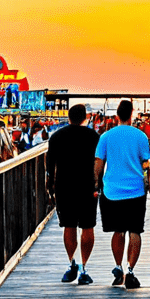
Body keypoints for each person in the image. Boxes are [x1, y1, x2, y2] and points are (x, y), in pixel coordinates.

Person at [94, 99, 150, 290]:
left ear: (117, 115)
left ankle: (118, 267)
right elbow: (146, 163)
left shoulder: (106, 136)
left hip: (112, 191)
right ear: (132, 114)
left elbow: (98, 164)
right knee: (135, 231)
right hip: (136, 190)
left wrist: (96, 183)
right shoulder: (140, 136)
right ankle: (131, 270)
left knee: (118, 231)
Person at [46, 103, 99, 285]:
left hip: (64, 186)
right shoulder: (94, 137)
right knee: (87, 226)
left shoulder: (57, 136)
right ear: (85, 117)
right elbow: (99, 162)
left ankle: (72, 263)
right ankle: (84, 268)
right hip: (88, 186)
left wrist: (50, 185)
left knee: (69, 226)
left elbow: (50, 164)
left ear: (69, 117)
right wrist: (98, 183)